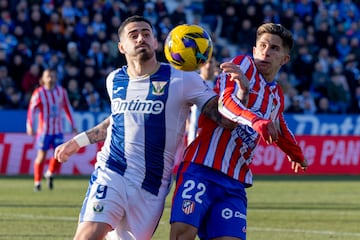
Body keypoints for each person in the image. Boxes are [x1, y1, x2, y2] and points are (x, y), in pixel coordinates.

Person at [53, 15, 236, 240]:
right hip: (112, 171)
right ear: (121, 47)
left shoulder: (183, 79)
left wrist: (241, 93)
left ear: (157, 43)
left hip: (151, 186)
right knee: (87, 236)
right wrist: (77, 142)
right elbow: (118, 118)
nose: (141, 38)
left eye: (146, 33)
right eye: (134, 35)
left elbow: (225, 119)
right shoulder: (114, 79)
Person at [170, 23, 309, 240]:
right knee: (183, 234)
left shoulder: (276, 96)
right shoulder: (243, 65)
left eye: (274, 48)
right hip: (201, 167)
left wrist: (296, 154)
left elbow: (279, 126)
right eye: (262, 45)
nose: (266, 51)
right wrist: (256, 121)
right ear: (254, 50)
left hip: (234, 181)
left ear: (284, 59)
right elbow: (224, 104)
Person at [26, 67, 77, 192]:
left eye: (52, 76)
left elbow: (67, 108)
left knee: (60, 154)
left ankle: (49, 172)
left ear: (56, 78)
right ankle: (37, 182)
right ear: (42, 79)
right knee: (41, 156)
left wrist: (73, 124)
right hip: (44, 131)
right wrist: (29, 125)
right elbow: (31, 110)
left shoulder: (61, 92)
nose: (50, 78)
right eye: (47, 76)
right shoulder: (39, 93)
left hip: (57, 130)